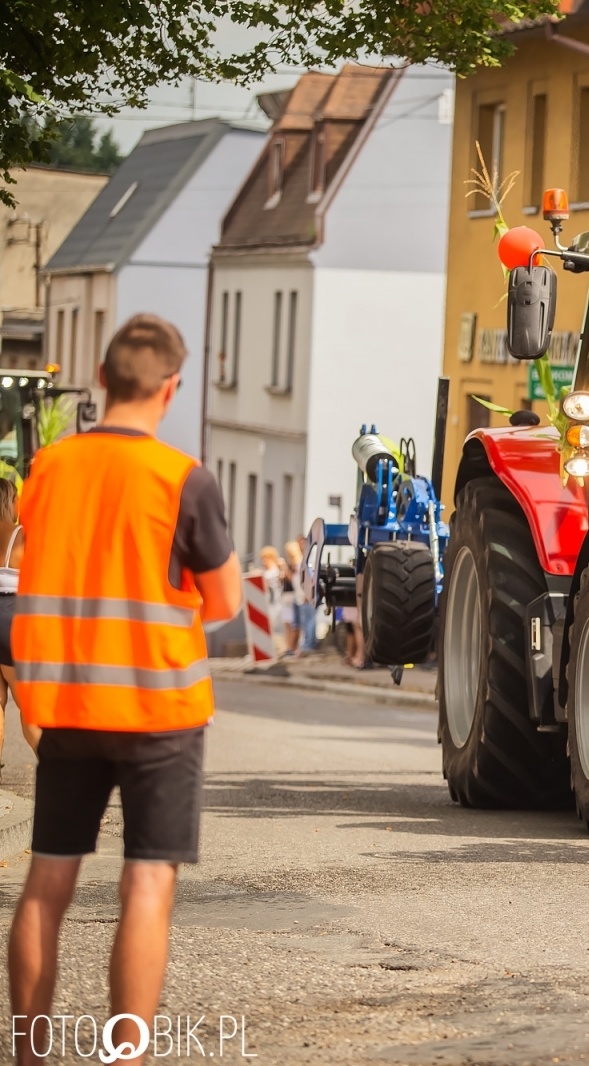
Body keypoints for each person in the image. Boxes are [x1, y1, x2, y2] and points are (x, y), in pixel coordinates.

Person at [7, 313, 241, 1066]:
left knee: (48, 882)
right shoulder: (183, 480)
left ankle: (30, 1053)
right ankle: (125, 1058)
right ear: (170, 390)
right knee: (146, 884)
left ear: (102, 379)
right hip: (159, 713)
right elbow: (228, 602)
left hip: (67, 705)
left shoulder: (48, 469)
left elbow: (36, 553)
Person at [0, 477, 35, 760]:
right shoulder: (21, 535)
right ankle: (59, 776)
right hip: (12, 619)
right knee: (30, 709)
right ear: (10, 502)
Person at [282, 540, 306, 656]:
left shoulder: (298, 563)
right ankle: (292, 648)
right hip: (295, 597)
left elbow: (296, 582)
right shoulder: (294, 563)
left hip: (298, 596)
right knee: (295, 623)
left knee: (298, 624)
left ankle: (296, 648)